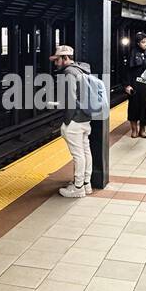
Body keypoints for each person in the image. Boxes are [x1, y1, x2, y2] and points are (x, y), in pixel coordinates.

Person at [50, 44, 94, 198]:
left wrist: (67, 122)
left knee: (78, 155)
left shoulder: (69, 72)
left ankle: (78, 187)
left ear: (65, 58)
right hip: (85, 117)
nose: (56, 63)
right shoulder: (82, 70)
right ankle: (86, 184)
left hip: (75, 119)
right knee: (85, 151)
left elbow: (71, 99)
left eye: (57, 60)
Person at [123, 32, 146, 139]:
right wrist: (127, 85)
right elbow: (127, 71)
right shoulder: (132, 53)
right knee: (133, 107)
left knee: (145, 107)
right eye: (143, 42)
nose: (145, 44)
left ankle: (142, 130)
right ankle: (134, 130)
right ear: (138, 43)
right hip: (134, 84)